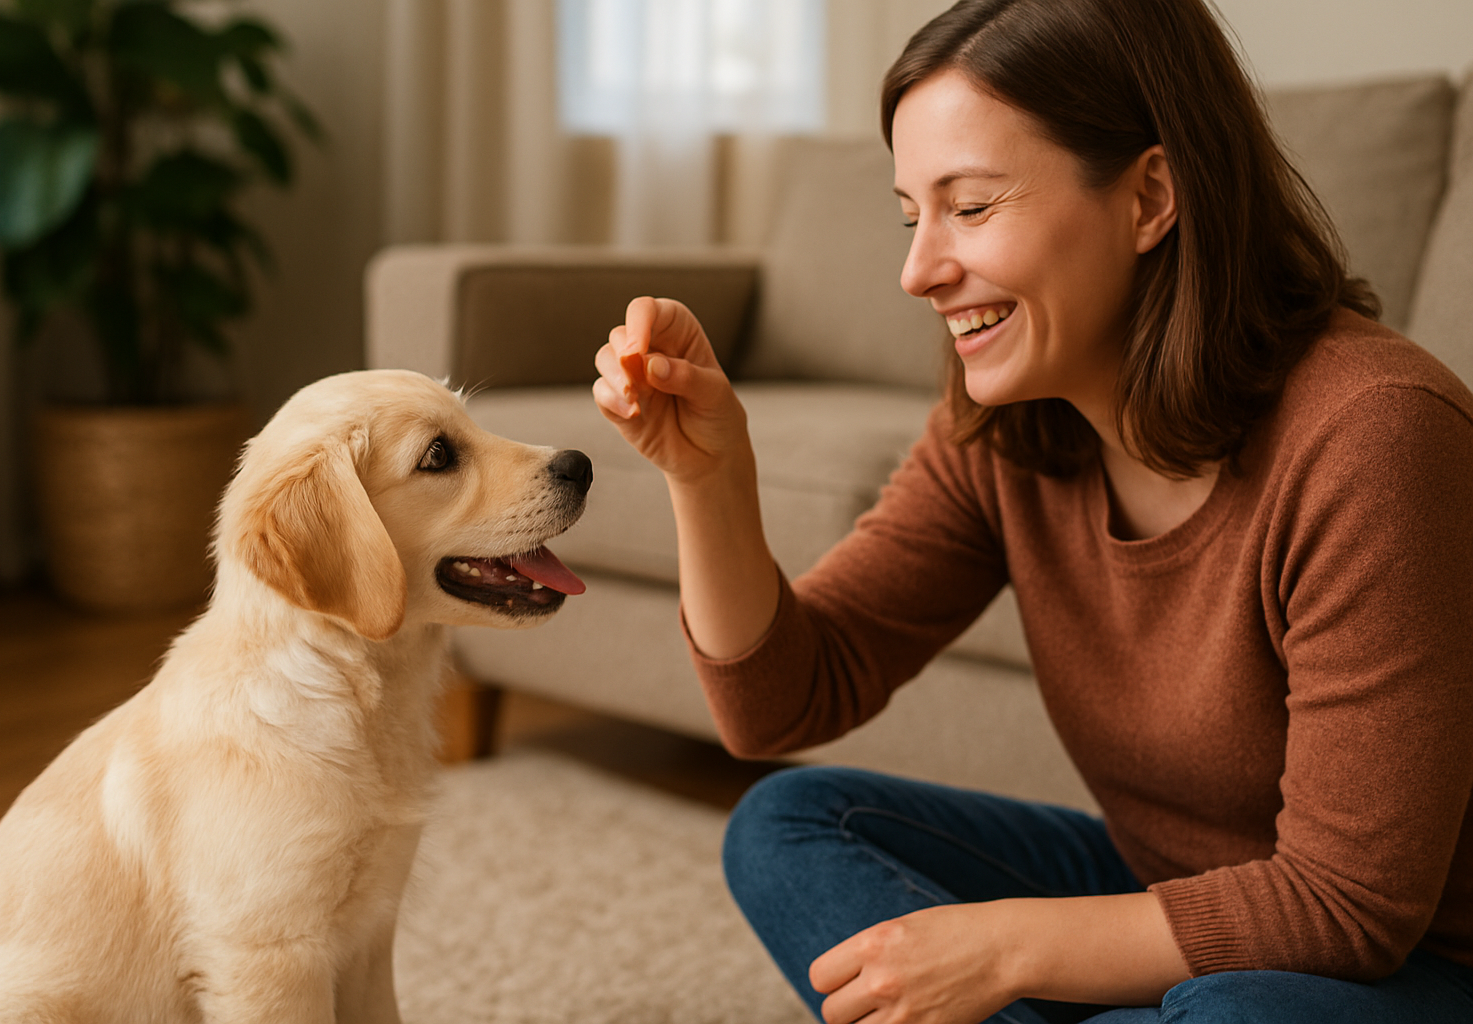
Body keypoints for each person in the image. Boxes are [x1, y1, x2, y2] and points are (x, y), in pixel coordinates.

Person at [591, 0, 1473, 1021]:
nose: (917, 271)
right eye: (912, 216)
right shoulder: (1008, 426)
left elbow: (1348, 909)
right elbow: (782, 703)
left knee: (1234, 1013)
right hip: (1173, 895)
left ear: (1149, 197)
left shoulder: (1375, 436)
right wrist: (708, 478)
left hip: (1412, 966)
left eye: (969, 207)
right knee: (791, 825)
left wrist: (1008, 950)